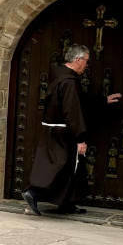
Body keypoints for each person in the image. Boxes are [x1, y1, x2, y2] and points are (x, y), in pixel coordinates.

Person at [22, 44, 97, 215]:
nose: (86, 65)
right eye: (86, 61)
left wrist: (103, 100)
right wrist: (81, 138)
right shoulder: (68, 82)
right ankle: (33, 193)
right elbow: (72, 111)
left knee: (71, 168)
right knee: (61, 168)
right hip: (65, 133)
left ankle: (67, 203)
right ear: (77, 60)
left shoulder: (59, 76)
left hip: (54, 131)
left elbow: (81, 102)